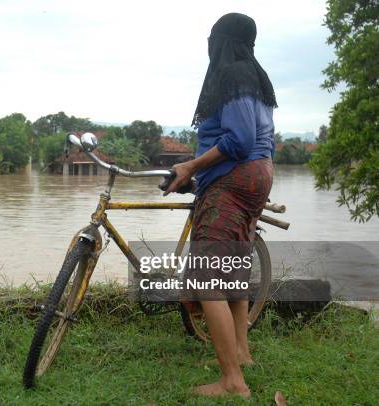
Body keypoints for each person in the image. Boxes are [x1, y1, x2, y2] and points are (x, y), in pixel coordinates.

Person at [164, 13, 277, 398]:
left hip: (235, 179)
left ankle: (232, 382)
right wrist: (200, 178)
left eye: (212, 38)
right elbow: (257, 142)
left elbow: (240, 140)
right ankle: (241, 354)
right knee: (233, 272)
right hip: (254, 176)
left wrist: (192, 165)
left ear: (222, 41)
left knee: (207, 278)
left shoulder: (233, 75)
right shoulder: (256, 77)